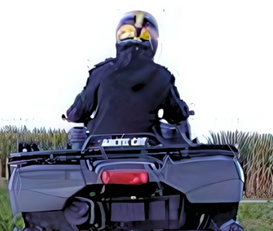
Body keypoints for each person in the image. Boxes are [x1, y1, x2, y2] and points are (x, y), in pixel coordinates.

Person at [65, 11, 191, 140]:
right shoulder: (163, 76)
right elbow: (177, 115)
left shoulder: (101, 72)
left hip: (99, 152)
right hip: (147, 153)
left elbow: (76, 114)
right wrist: (184, 109)